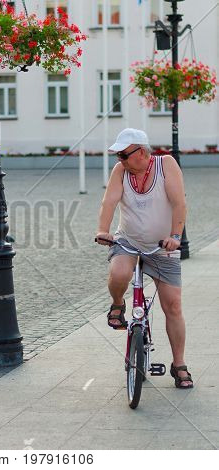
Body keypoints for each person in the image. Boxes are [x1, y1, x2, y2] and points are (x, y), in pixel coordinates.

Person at [96, 128, 193, 389]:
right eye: (118, 156)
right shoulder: (121, 172)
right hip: (128, 240)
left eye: (123, 155)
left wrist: (175, 235)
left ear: (140, 152)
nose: (120, 160)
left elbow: (179, 202)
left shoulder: (166, 165)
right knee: (119, 274)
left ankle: (179, 364)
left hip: (163, 245)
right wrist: (103, 231)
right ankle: (117, 304)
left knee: (172, 306)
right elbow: (109, 202)